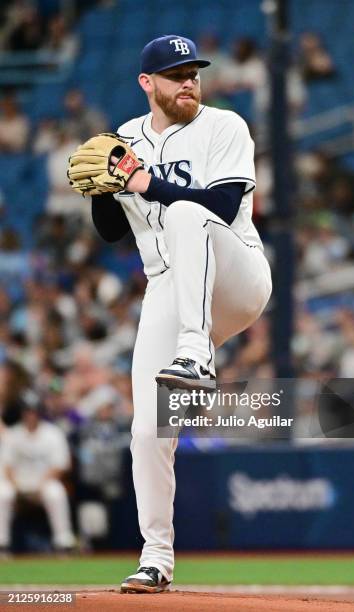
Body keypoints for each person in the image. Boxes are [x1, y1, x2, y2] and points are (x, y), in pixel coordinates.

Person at [69, 34, 272, 593]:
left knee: (186, 213)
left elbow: (226, 207)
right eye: (176, 72)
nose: (188, 80)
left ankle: (196, 354)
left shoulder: (225, 126)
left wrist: (143, 181)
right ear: (147, 83)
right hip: (168, 288)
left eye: (194, 71)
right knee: (146, 431)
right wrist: (104, 190)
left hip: (236, 274)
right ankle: (155, 558)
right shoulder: (124, 140)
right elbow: (112, 233)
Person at [0, 390, 75, 553]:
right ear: (22, 413)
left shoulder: (53, 433)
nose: (30, 415)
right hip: (17, 483)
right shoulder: (13, 434)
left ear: (40, 412)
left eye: (33, 411)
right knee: (3, 493)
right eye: (27, 411)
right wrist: (18, 489)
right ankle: (2, 543)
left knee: (56, 492)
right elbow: (6, 467)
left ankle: (63, 542)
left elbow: (61, 465)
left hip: (43, 483)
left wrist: (41, 486)